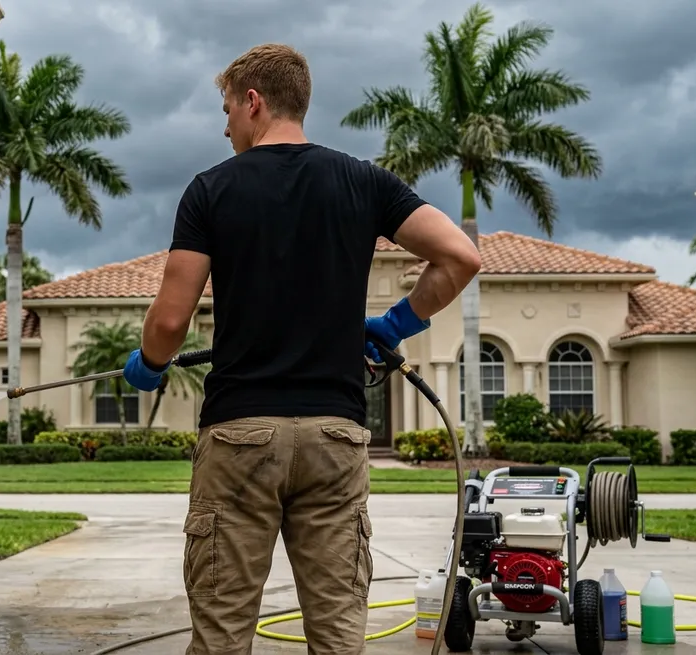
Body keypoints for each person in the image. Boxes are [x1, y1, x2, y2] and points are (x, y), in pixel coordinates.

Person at [120, 44, 481, 654]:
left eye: (228, 108)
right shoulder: (363, 181)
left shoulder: (211, 189)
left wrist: (150, 366)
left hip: (239, 435)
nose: (225, 123)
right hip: (333, 436)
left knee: (221, 635)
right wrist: (392, 325)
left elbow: (169, 321)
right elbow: (461, 257)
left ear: (253, 102)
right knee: (339, 635)